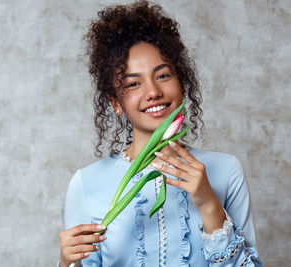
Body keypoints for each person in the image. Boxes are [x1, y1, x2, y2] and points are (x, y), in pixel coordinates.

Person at [59, 1, 262, 266]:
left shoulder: (226, 170)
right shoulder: (86, 183)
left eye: (164, 75)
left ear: (183, 85)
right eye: (133, 83)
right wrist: (66, 261)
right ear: (115, 102)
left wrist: (209, 203)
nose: (153, 91)